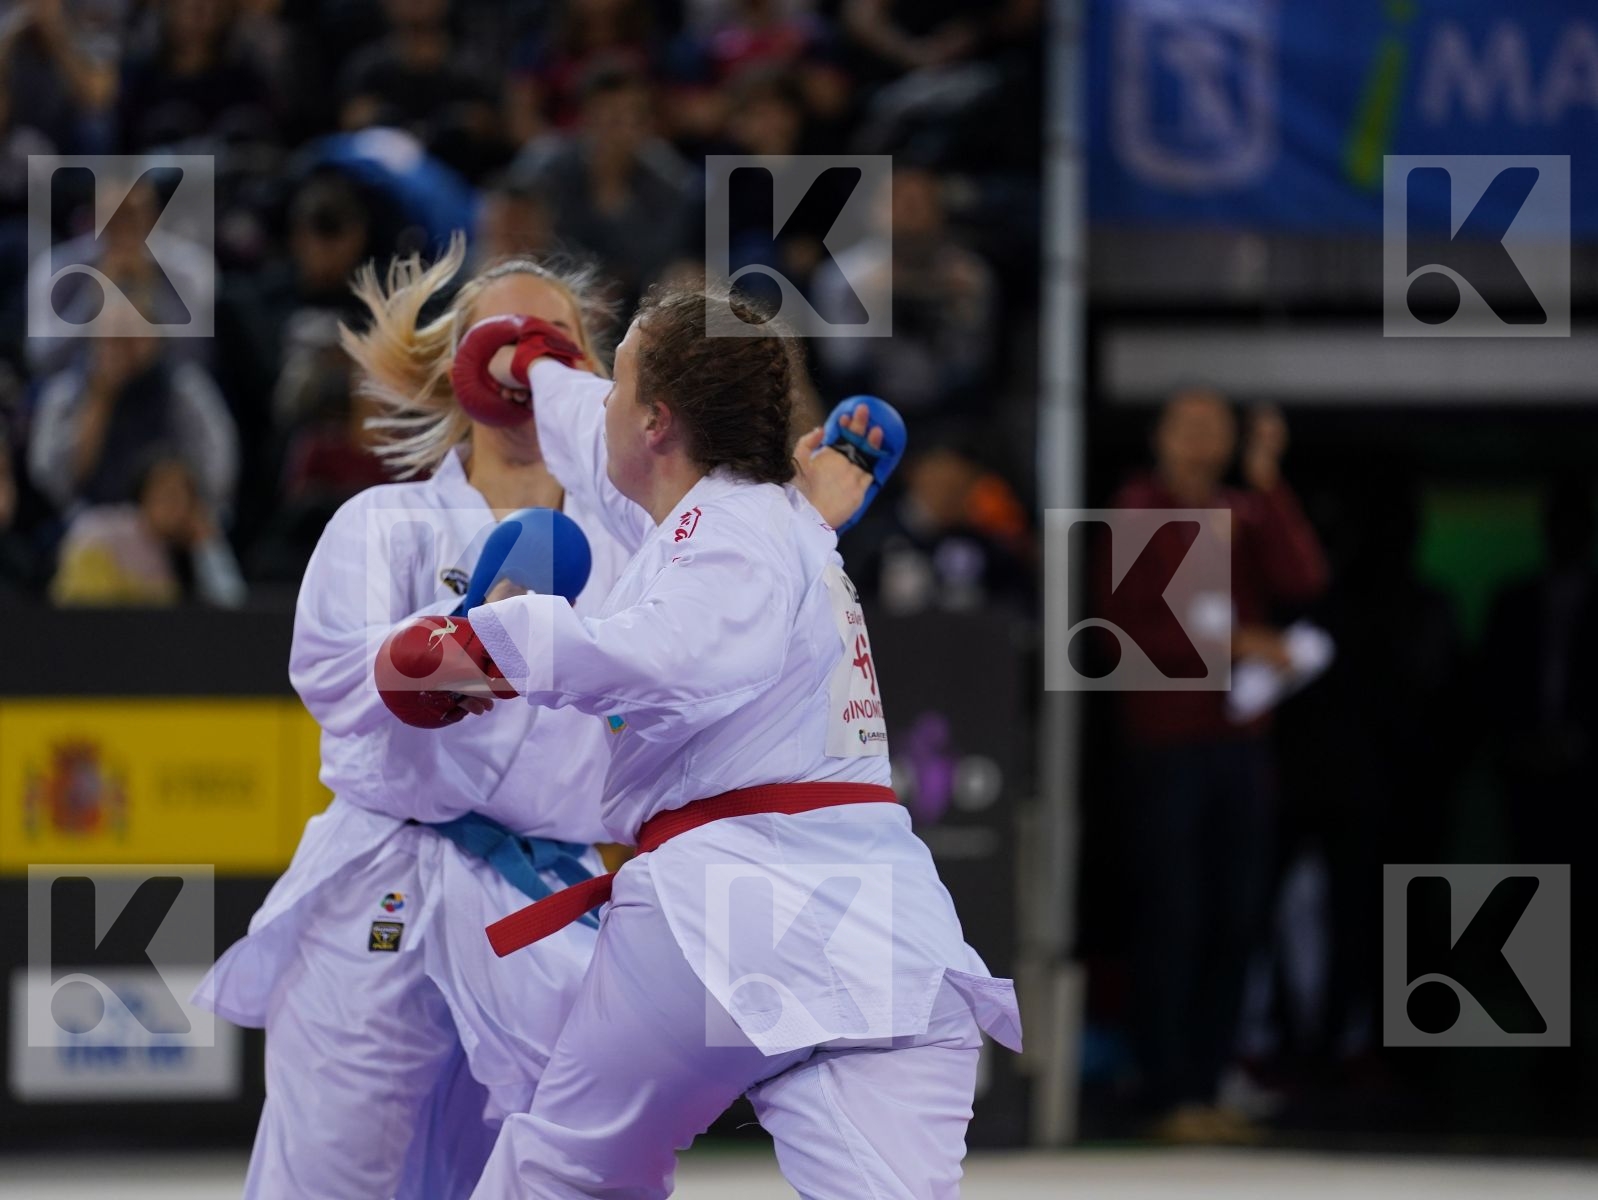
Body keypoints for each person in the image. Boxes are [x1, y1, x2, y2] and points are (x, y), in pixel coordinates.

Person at [195, 238, 878, 1199]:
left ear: (596, 382)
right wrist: (466, 643)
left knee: (556, 1171)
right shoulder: (385, 523)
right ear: (459, 370)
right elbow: (335, 680)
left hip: (540, 897)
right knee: (333, 1172)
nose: (524, 361)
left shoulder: (658, 549)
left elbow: (726, 656)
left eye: (553, 342)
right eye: (499, 340)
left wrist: (794, 524)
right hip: (384, 874)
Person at [392, 287, 1021, 1198]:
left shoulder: (732, 535)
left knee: (562, 1171)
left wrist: (486, 647)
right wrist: (534, 369)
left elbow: (670, 654)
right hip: (888, 934)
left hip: (732, 909)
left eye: (616, 386)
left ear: (656, 421)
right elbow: (596, 435)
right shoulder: (773, 523)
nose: (599, 399)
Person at [1103, 388, 1327, 1143]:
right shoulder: (1135, 508)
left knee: (1236, 916)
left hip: (1241, 746)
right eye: (1188, 427)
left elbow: (1304, 580)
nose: (1202, 443)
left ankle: (1210, 1082)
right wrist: (1235, 644)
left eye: (1216, 430)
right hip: (1167, 745)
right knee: (1174, 912)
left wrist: (1268, 480)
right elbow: (1119, 632)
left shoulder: (1245, 509)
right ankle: (1168, 1090)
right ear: (1160, 434)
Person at [50, 452, 245, 606]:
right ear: (142, 495)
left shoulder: (188, 546)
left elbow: (231, 603)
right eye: (164, 493)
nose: (172, 505)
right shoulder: (101, 534)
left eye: (180, 495)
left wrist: (208, 545)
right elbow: (82, 607)